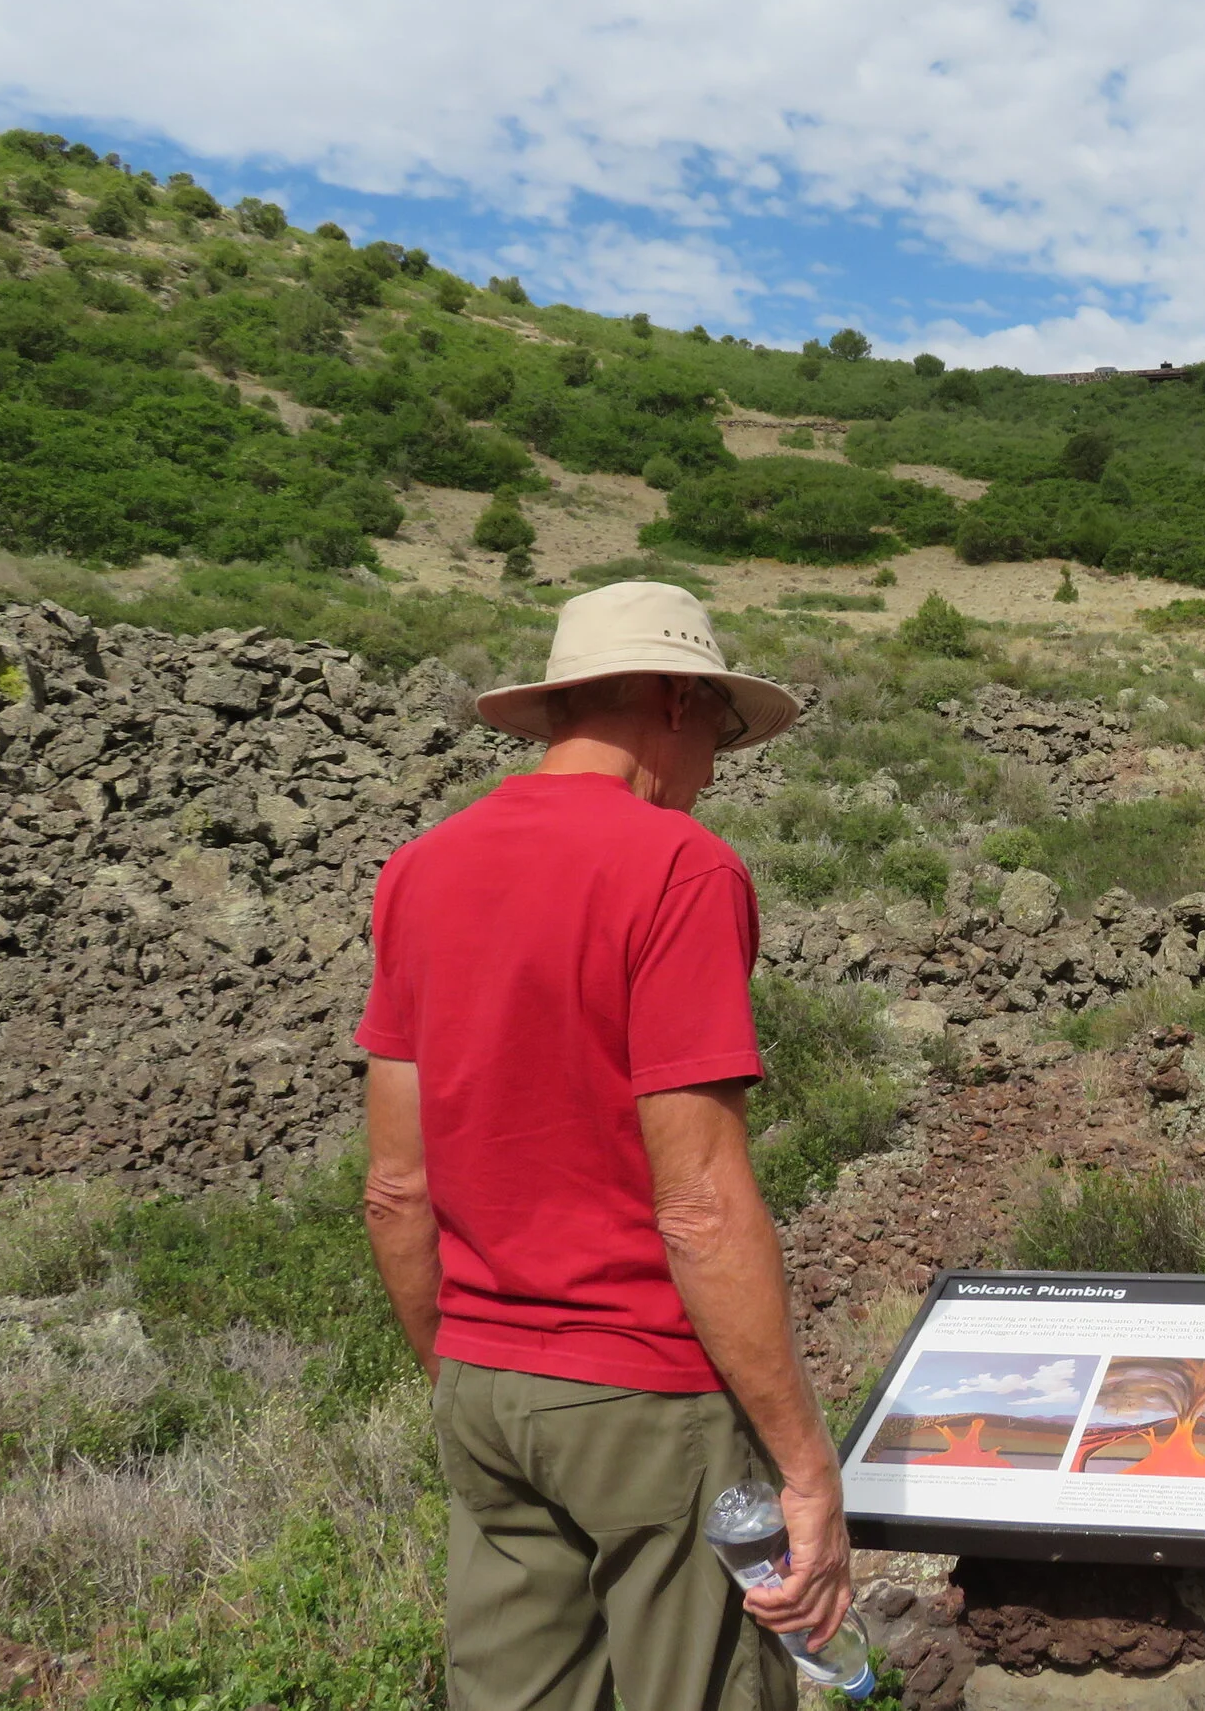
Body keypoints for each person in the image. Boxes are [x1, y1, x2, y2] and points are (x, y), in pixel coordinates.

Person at [354, 580, 849, 1711]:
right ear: (673, 701)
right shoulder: (679, 866)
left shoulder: (419, 870)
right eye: (721, 729)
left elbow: (395, 1188)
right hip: (644, 1397)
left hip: (483, 1390)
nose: (718, 765)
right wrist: (806, 1468)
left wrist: (465, 1367)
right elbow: (700, 1205)